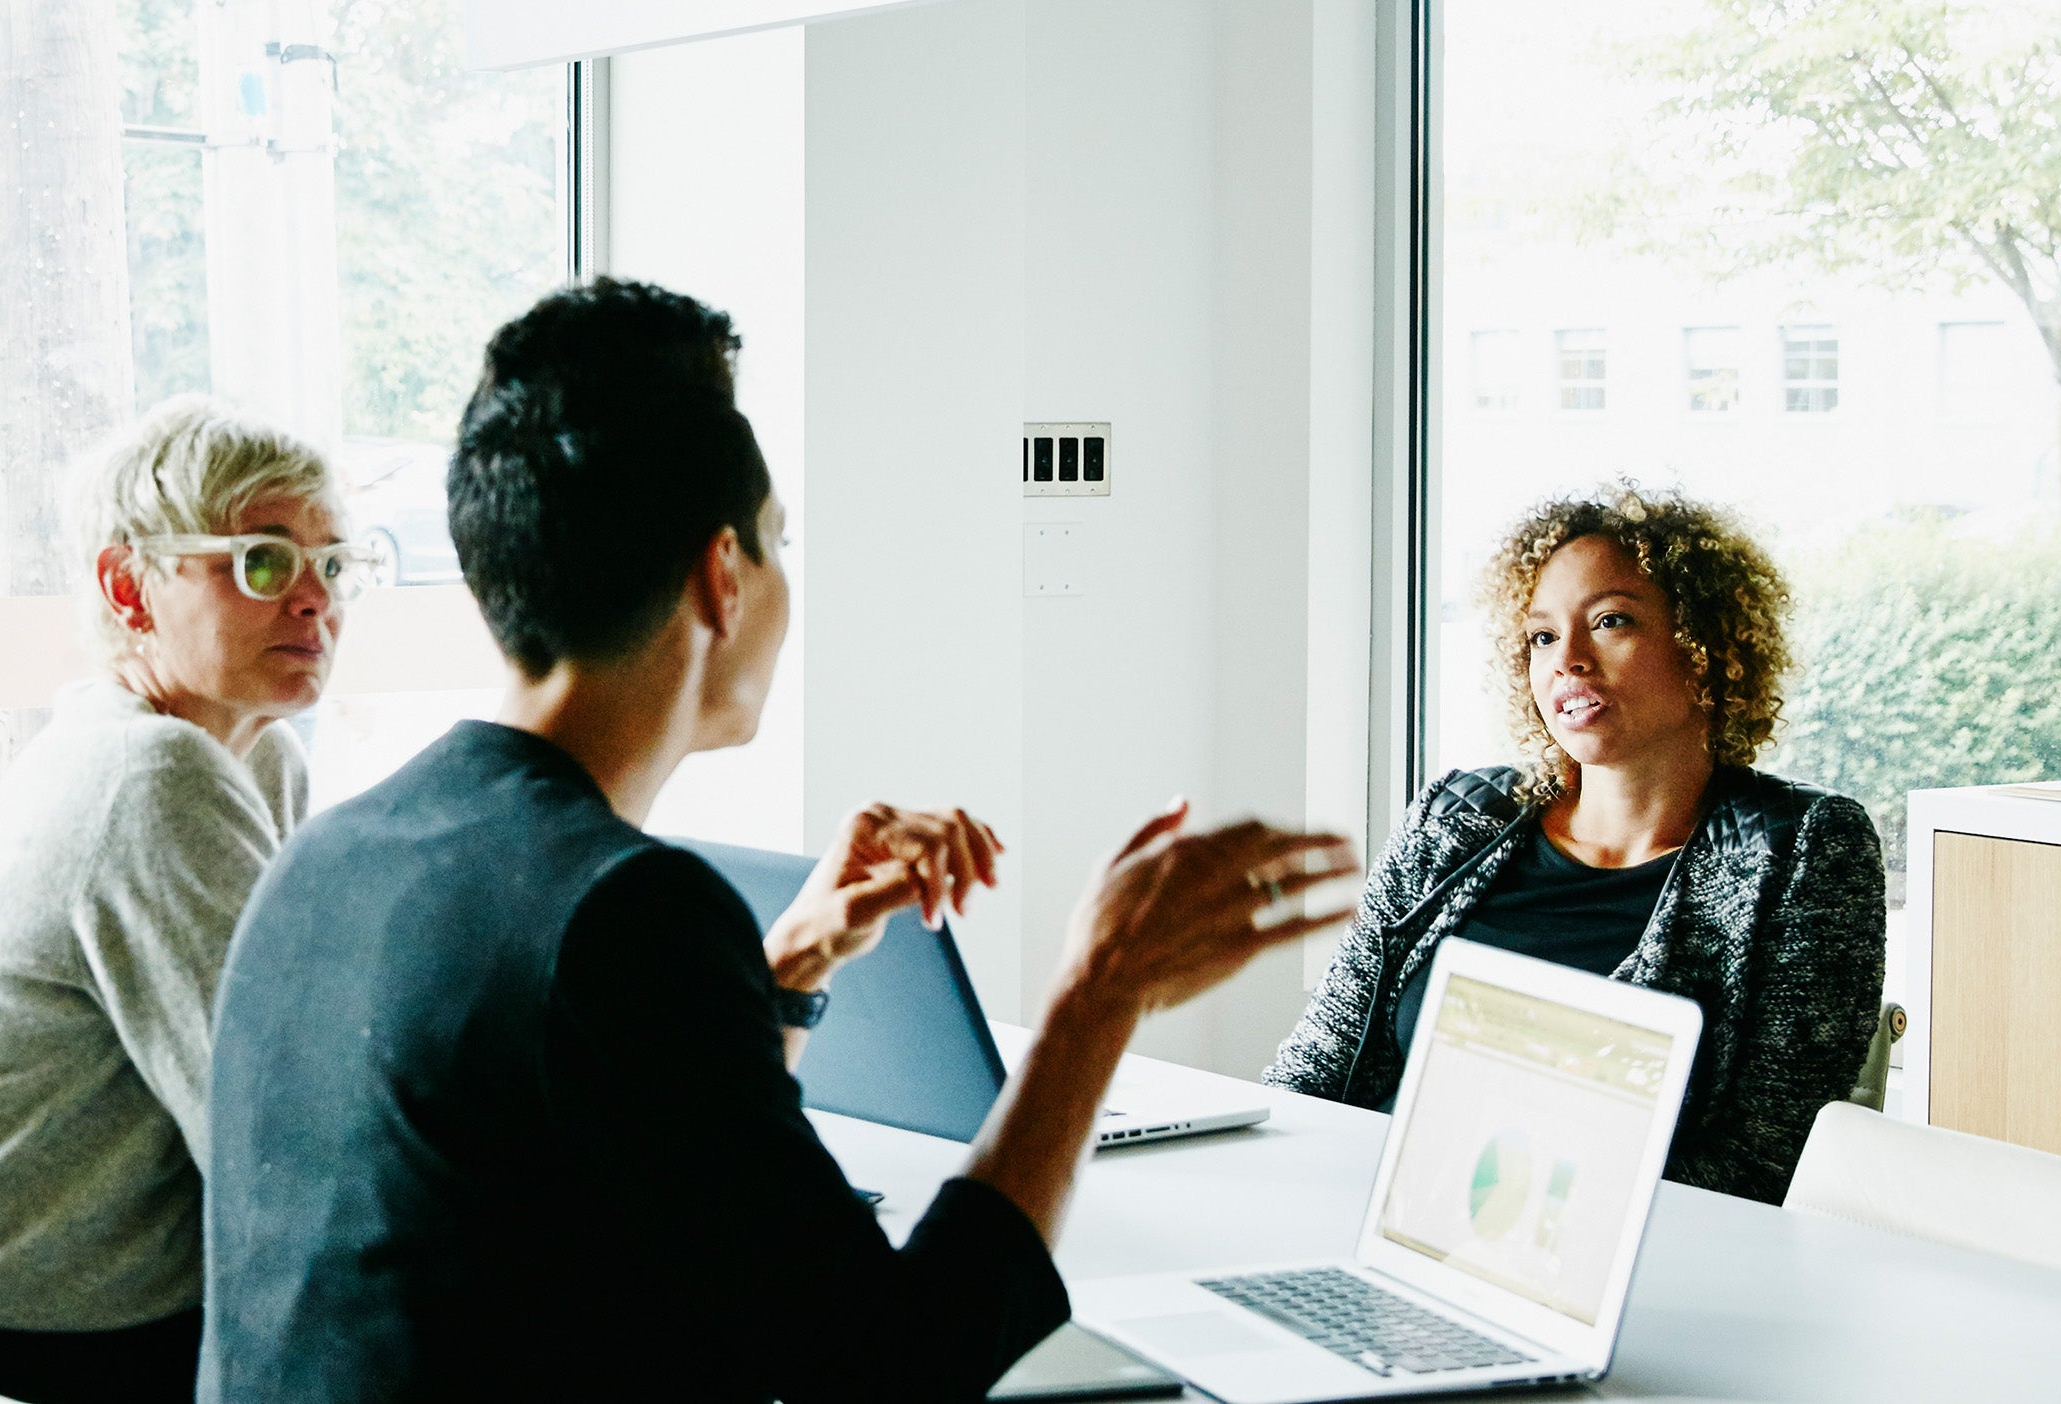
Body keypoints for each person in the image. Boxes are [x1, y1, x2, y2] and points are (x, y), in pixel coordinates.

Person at [198, 279, 1361, 1403]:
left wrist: (787, 969)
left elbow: (651, 1198)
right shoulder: (625, 914)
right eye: (780, 541)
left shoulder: (335, 853)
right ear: (723, 577)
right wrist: (1096, 998)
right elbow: (897, 1368)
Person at [0, 397, 375, 1403]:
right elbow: (278, 1134)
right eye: (263, 559)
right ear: (129, 586)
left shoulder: (251, 761)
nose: (315, 600)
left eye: (334, 565)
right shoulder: (151, 774)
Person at [1265, 484, 1885, 1205]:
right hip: (1361, 1213)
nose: (1569, 660)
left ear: (1704, 647)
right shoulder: (1457, 816)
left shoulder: (1802, 850)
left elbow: (1765, 1162)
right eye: (1542, 637)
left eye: (1611, 621)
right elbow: (1317, 1068)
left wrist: (1507, 1210)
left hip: (1609, 1275)